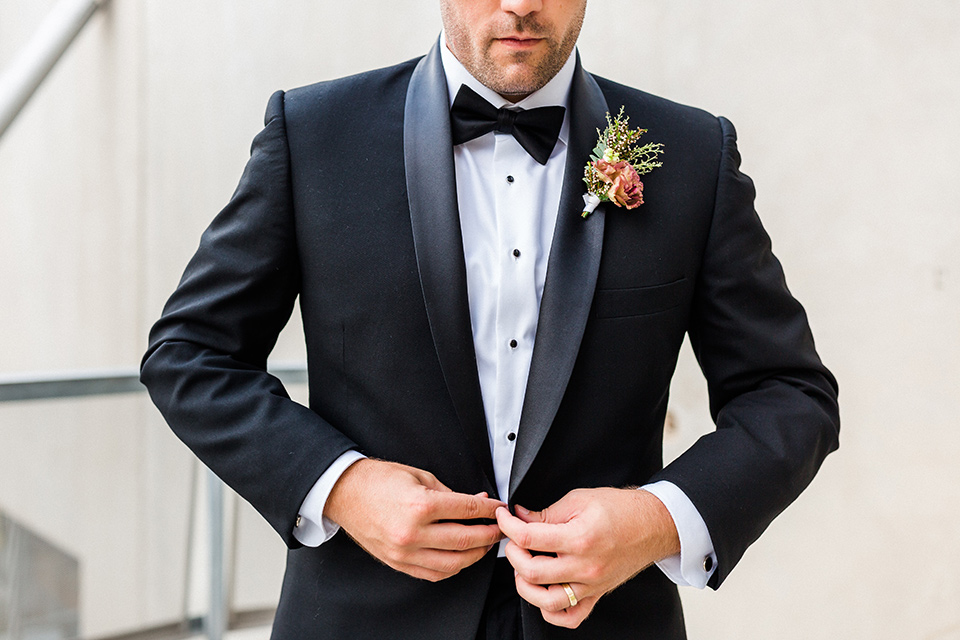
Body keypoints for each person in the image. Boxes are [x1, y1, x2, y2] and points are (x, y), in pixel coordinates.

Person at [140, 1, 840, 638]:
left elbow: (790, 394)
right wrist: (345, 487)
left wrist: (657, 521)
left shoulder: (691, 153)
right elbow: (191, 354)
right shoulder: (313, 134)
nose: (521, 6)